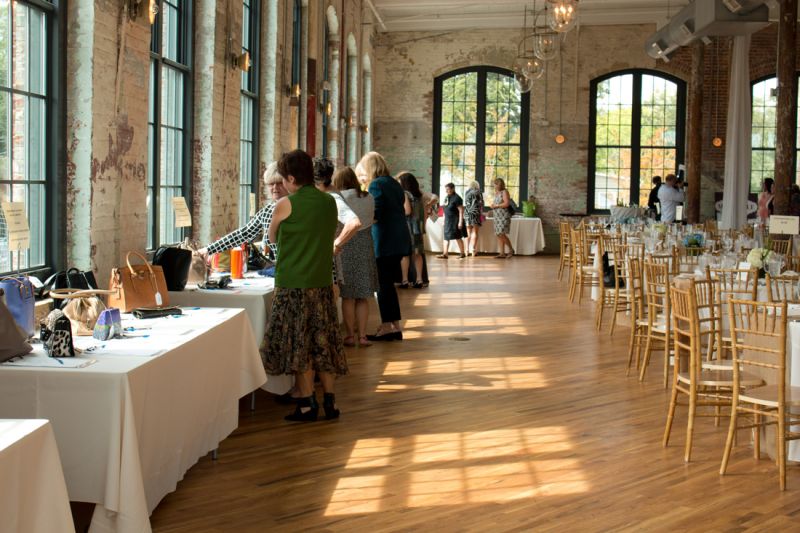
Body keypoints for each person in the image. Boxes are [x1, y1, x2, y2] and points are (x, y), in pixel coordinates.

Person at [262, 150, 347, 422]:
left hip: (293, 285)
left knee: (300, 345)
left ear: (290, 177)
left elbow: (272, 238)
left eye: (283, 180)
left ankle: (308, 404)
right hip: (321, 283)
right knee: (323, 343)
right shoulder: (328, 202)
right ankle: (330, 402)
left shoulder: (286, 204)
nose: (281, 186)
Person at [356, 151, 411, 341]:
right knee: (388, 284)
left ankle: (388, 326)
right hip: (397, 240)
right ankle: (394, 325)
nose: (363, 176)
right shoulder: (393, 183)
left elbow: (375, 211)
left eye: (364, 172)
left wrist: (357, 224)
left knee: (383, 285)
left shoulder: (377, 184)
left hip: (385, 241)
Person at [199, 162, 286, 260]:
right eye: (271, 184)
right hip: (278, 268)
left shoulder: (297, 208)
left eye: (279, 183)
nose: (275, 188)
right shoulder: (267, 211)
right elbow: (244, 233)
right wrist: (209, 249)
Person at [332, 166, 379, 347]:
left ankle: (350, 335)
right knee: (363, 295)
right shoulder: (369, 198)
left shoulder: (339, 199)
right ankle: (363, 336)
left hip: (344, 246)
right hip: (365, 246)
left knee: (348, 296)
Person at [313, 157, 362, 287]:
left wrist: (337, 243)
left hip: (328, 261)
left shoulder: (332, 198)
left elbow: (354, 223)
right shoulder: (332, 192)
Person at [397, 172, 426, 288]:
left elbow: (407, 211)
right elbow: (424, 214)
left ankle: (405, 280)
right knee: (418, 254)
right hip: (418, 228)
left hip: (407, 227)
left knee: (405, 255)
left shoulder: (404, 194)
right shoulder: (420, 195)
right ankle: (419, 279)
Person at [438, 183, 466, 259]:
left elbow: (461, 210)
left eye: (448, 189)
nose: (446, 191)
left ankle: (462, 253)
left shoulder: (457, 198)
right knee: (446, 237)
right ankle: (445, 254)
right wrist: (444, 220)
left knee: (458, 237)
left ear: (453, 189)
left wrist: (460, 222)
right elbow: (445, 209)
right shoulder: (447, 197)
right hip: (447, 221)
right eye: (446, 189)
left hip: (455, 221)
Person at [490, 178, 515, 258]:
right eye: (494, 184)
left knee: (501, 233)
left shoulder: (504, 192)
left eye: (496, 184)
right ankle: (502, 253)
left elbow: (506, 203)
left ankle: (511, 250)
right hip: (497, 216)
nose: (494, 186)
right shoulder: (497, 193)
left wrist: (496, 206)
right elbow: (497, 203)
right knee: (498, 234)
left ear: (499, 184)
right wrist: (493, 206)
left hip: (503, 216)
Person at [463, 180, 484, 257]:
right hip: (475, 213)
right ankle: (473, 250)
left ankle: (466, 250)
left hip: (467, 213)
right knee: (475, 232)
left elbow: (466, 203)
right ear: (477, 185)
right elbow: (481, 203)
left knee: (468, 232)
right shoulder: (479, 192)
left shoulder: (467, 192)